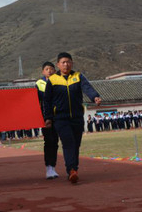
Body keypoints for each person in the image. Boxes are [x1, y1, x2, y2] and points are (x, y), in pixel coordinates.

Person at [43, 52, 102, 184]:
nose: (66, 64)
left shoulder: (78, 76)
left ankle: (73, 169)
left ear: (72, 63)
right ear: (58, 64)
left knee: (76, 144)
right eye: (63, 62)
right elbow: (47, 101)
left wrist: (95, 97)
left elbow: (87, 87)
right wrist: (48, 117)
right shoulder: (53, 80)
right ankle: (71, 170)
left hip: (77, 117)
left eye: (68, 61)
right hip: (60, 118)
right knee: (68, 142)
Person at [36, 61, 60, 179]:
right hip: (45, 118)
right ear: (42, 72)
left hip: (59, 117)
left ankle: (53, 167)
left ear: (55, 71)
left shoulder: (59, 81)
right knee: (49, 141)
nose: (49, 71)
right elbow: (34, 101)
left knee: (55, 142)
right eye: (47, 69)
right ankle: (49, 168)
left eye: (51, 69)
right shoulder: (39, 84)